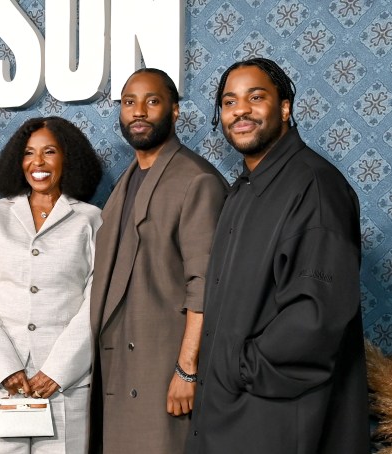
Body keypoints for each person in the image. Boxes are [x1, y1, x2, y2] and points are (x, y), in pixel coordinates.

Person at [185, 58, 369, 454]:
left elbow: (316, 317)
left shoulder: (315, 186)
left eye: (256, 97)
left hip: (275, 419)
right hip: (227, 413)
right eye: (229, 102)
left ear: (284, 107)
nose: (241, 111)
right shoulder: (245, 189)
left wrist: (237, 366)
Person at [89, 68, 228, 454]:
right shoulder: (128, 178)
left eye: (152, 102)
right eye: (129, 102)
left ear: (175, 111)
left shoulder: (196, 179)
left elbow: (205, 285)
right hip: (119, 370)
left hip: (163, 371)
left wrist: (187, 369)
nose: (139, 112)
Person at [0, 116, 103, 453]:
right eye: (28, 153)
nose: (37, 163)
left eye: (49, 152)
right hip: (4, 383)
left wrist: (59, 369)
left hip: (65, 383)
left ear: (68, 157)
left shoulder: (91, 221)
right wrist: (4, 368)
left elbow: (97, 297)